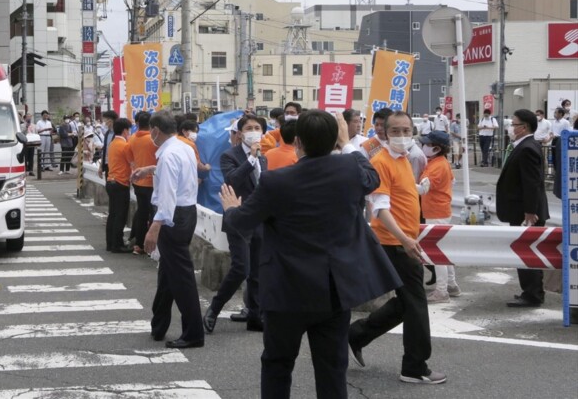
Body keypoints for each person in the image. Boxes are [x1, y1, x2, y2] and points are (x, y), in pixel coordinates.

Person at [219, 110, 401, 399]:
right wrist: (347, 143)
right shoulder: (351, 171)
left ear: (298, 142)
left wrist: (230, 209)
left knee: (278, 365)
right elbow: (371, 175)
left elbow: (240, 223)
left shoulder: (275, 182)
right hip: (333, 289)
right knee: (331, 369)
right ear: (334, 141)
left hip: (285, 290)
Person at [349, 111, 447, 385]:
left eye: (406, 130)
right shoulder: (381, 162)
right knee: (416, 303)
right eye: (396, 131)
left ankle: (356, 334)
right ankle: (415, 367)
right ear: (384, 133)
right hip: (395, 243)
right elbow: (379, 208)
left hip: (403, 240)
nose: (402, 136)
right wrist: (404, 239)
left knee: (407, 303)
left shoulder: (403, 159)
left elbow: (400, 190)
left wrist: (419, 189)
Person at [131, 111, 204, 349]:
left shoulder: (170, 153)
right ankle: (159, 324)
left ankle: (193, 333)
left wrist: (154, 227)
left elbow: (168, 195)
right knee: (168, 273)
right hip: (185, 213)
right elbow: (177, 175)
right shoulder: (182, 147)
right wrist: (149, 170)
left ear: (155, 130)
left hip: (172, 217)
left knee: (181, 277)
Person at [203, 114, 267, 335]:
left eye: (257, 127)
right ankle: (214, 308)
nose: (253, 130)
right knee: (242, 268)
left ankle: (255, 315)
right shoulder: (229, 155)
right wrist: (250, 158)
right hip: (238, 219)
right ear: (239, 133)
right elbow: (232, 180)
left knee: (258, 271)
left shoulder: (264, 158)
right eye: (249, 127)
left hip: (260, 219)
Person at [497, 109, 550, 307]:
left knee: (527, 251)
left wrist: (530, 211)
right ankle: (530, 291)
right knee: (524, 251)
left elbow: (532, 183)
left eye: (514, 124)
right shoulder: (522, 145)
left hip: (526, 212)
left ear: (524, 127)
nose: (511, 127)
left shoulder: (528, 148)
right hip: (521, 210)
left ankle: (533, 294)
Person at [418, 131, 461, 303]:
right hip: (440, 211)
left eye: (427, 144)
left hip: (436, 212)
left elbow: (422, 189)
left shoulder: (437, 166)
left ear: (436, 148)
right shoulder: (439, 162)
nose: (423, 147)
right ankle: (451, 285)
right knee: (443, 250)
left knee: (436, 254)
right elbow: (452, 181)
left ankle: (442, 291)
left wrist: (401, 184)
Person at [125, 111, 158, 255]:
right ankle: (149, 245)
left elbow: (129, 157)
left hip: (138, 182)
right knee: (153, 214)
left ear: (137, 123)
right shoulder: (154, 140)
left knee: (142, 212)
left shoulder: (132, 139)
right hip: (153, 182)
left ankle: (138, 244)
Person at [105, 118, 133, 253]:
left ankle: (110, 243)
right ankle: (117, 244)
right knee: (120, 216)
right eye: (129, 129)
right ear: (125, 130)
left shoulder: (113, 144)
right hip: (121, 182)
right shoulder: (125, 146)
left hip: (110, 181)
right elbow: (132, 164)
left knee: (113, 214)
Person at [549, 107, 571, 198]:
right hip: (554, 140)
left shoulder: (565, 122)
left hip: (561, 139)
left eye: (557, 113)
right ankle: (555, 171)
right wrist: (551, 135)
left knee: (560, 158)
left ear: (561, 114)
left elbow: (567, 132)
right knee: (554, 158)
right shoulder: (553, 122)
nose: (555, 114)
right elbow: (551, 132)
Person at [98, 110, 118, 179]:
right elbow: (104, 151)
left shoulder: (118, 133)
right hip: (107, 165)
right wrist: (101, 166)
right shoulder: (107, 133)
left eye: (104, 120)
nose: (104, 123)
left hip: (116, 166)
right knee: (109, 186)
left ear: (110, 120)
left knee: (114, 187)